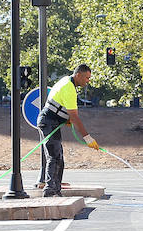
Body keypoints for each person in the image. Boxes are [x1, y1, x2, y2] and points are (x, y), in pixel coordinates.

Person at [36, 64, 99, 197]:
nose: (87, 81)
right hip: (48, 122)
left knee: (58, 157)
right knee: (54, 156)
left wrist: (66, 119)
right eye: (86, 78)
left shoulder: (67, 81)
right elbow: (74, 117)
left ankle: (56, 190)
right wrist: (87, 138)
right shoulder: (69, 88)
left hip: (51, 121)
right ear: (78, 75)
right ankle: (49, 190)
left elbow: (65, 109)